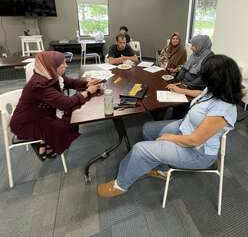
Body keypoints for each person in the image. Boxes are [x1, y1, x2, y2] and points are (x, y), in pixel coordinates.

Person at [97, 54, 243, 198]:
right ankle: (162, 169)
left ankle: (121, 184)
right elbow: (201, 93)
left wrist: (170, 138)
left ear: (218, 81)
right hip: (185, 128)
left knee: (140, 149)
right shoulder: (215, 90)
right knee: (148, 128)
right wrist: (181, 90)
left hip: (198, 152)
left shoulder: (222, 109)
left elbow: (194, 141)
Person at [10, 51, 101, 161]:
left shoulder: (50, 74)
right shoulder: (39, 85)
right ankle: (46, 142)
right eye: (63, 64)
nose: (66, 65)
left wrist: (87, 84)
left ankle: (47, 142)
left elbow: (70, 82)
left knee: (71, 118)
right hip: (27, 122)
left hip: (41, 112)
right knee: (67, 123)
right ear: (53, 66)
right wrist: (88, 92)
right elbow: (65, 104)